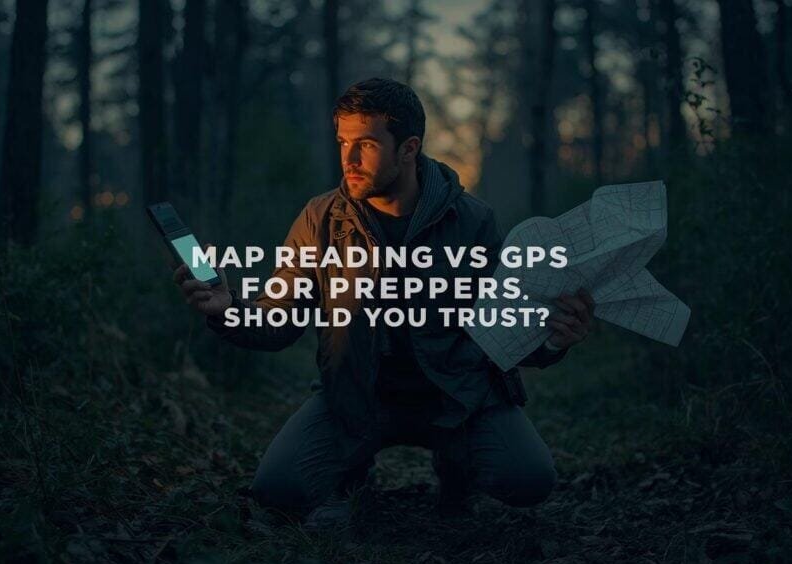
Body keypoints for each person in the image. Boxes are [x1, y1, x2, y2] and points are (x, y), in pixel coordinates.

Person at [175, 78, 595, 528]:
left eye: (367, 144)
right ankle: (352, 474)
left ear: (409, 148)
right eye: (343, 142)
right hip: (356, 398)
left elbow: (507, 329)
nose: (349, 160)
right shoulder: (320, 219)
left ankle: (457, 468)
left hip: (455, 400)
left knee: (529, 479)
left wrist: (553, 342)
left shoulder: (472, 221)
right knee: (278, 489)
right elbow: (279, 320)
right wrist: (229, 309)